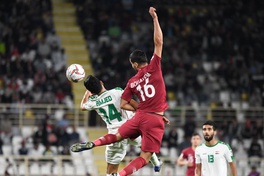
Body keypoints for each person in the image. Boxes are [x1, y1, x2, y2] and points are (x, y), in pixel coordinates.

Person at [71, 7, 170, 176]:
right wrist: (154, 18)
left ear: (135, 65)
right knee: (145, 153)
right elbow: (158, 42)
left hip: (132, 122)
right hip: (150, 118)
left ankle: (94, 144)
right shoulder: (150, 69)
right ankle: (149, 165)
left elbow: (124, 104)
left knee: (114, 146)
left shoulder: (131, 82)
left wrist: (88, 93)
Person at [71, 75, 162, 176]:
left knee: (110, 172)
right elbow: (133, 104)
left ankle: (114, 172)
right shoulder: (118, 91)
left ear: (91, 91)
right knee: (147, 149)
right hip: (132, 128)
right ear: (101, 82)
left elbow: (83, 106)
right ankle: (157, 164)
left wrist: (88, 92)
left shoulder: (94, 102)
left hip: (114, 134)